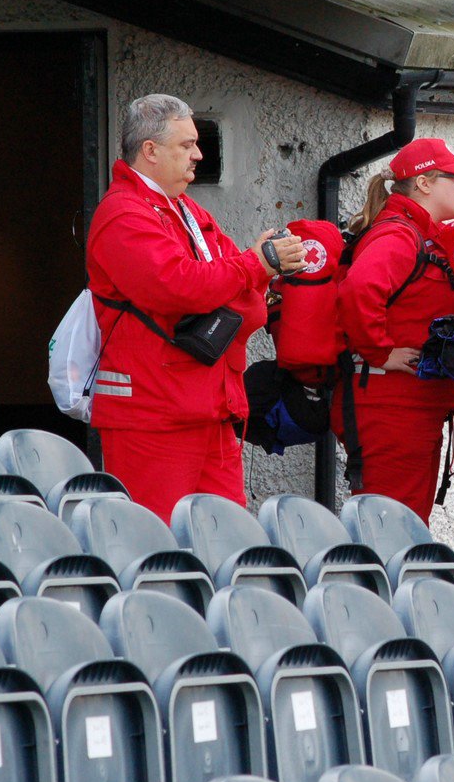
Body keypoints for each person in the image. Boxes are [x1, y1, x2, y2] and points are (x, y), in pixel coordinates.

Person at [87, 94, 305, 520]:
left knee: (227, 548)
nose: (198, 154)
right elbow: (178, 287)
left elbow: (242, 299)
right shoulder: (122, 215)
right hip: (155, 414)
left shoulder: (186, 210)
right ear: (150, 151)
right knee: (159, 554)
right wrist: (255, 264)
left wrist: (252, 269)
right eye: (186, 145)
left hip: (209, 408)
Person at [333, 137, 454, 520]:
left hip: (406, 405)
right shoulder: (399, 234)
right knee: (390, 528)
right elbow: (358, 289)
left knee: (402, 525)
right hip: (391, 406)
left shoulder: (416, 233)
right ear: (424, 183)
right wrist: (380, 350)